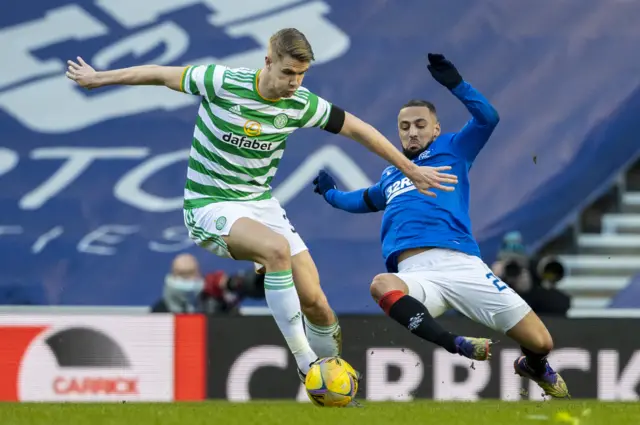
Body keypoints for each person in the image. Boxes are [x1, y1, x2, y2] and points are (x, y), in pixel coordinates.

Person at [65, 28, 457, 385]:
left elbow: (359, 129)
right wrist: (99, 78)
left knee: (318, 305)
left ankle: (334, 385)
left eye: (302, 75)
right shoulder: (222, 82)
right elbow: (159, 73)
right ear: (267, 61)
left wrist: (408, 168)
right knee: (275, 250)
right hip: (209, 203)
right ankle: (306, 363)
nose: (295, 83)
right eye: (288, 72)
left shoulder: (301, 103)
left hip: (259, 203)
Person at [312, 53, 570, 399]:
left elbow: (487, 118)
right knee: (380, 285)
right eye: (404, 127)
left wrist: (456, 84)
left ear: (436, 128)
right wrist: (330, 194)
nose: (412, 131)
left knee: (541, 342)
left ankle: (533, 366)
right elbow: (362, 200)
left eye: (420, 124)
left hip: (463, 265)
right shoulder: (394, 173)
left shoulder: (453, 148)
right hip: (416, 274)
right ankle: (456, 344)